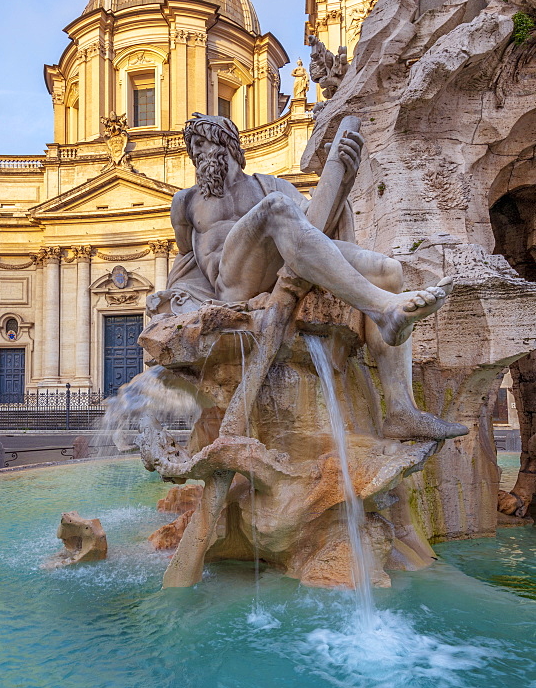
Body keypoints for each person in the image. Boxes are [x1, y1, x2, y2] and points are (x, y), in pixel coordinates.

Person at [157, 112, 466, 441]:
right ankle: (383, 309)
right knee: (275, 206)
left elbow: (314, 227)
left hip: (277, 270)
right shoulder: (185, 201)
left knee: (388, 271)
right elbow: (187, 258)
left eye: (203, 142)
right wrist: (178, 303)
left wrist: (344, 178)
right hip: (231, 285)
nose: (196, 153)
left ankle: (402, 410)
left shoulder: (270, 185)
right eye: (193, 147)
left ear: (227, 143)